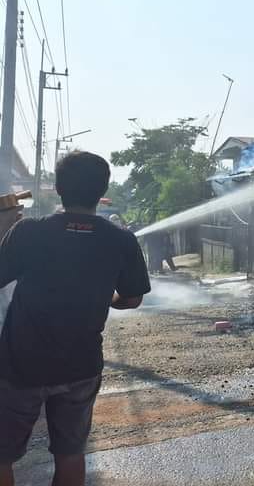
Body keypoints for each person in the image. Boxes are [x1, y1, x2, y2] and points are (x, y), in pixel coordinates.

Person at [0, 152, 151, 486]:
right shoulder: (121, 239)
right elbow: (132, 299)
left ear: (58, 188)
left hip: (20, 365)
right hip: (81, 366)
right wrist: (107, 298)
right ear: (103, 191)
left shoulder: (28, 232)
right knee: (70, 454)